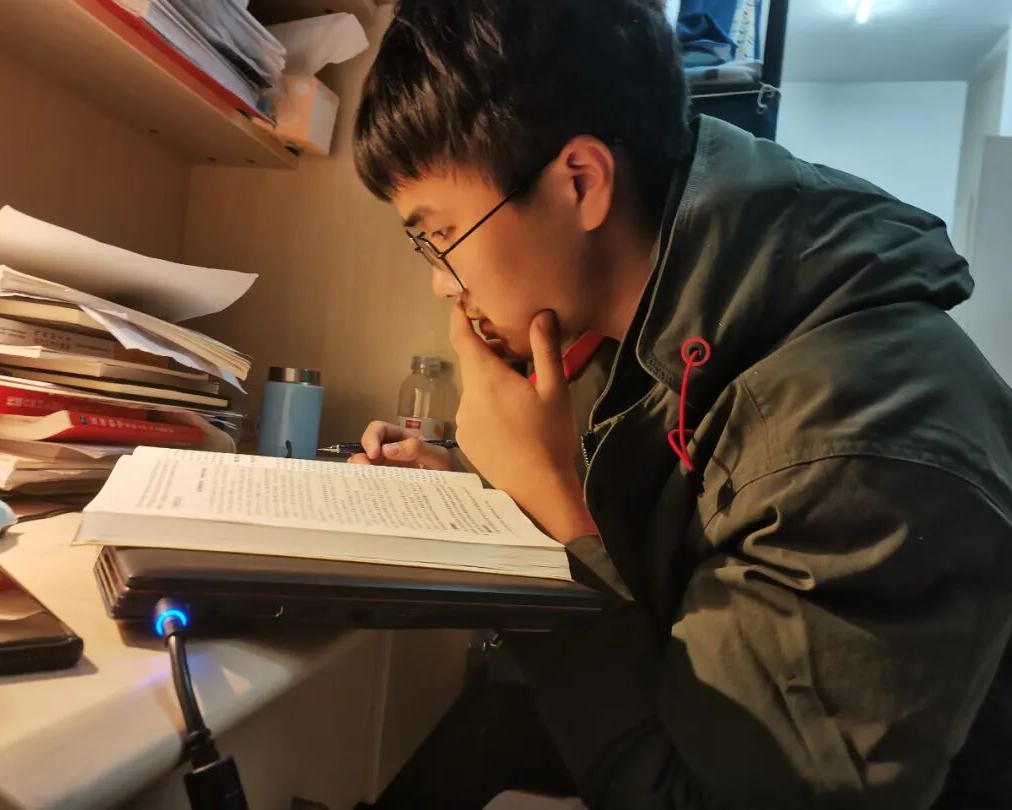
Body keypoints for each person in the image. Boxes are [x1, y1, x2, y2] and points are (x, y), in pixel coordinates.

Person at [348, 1, 1012, 807]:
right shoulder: (665, 336)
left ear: (581, 182)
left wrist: (542, 509)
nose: (439, 282)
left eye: (440, 235)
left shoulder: (859, 446)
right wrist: (480, 494)